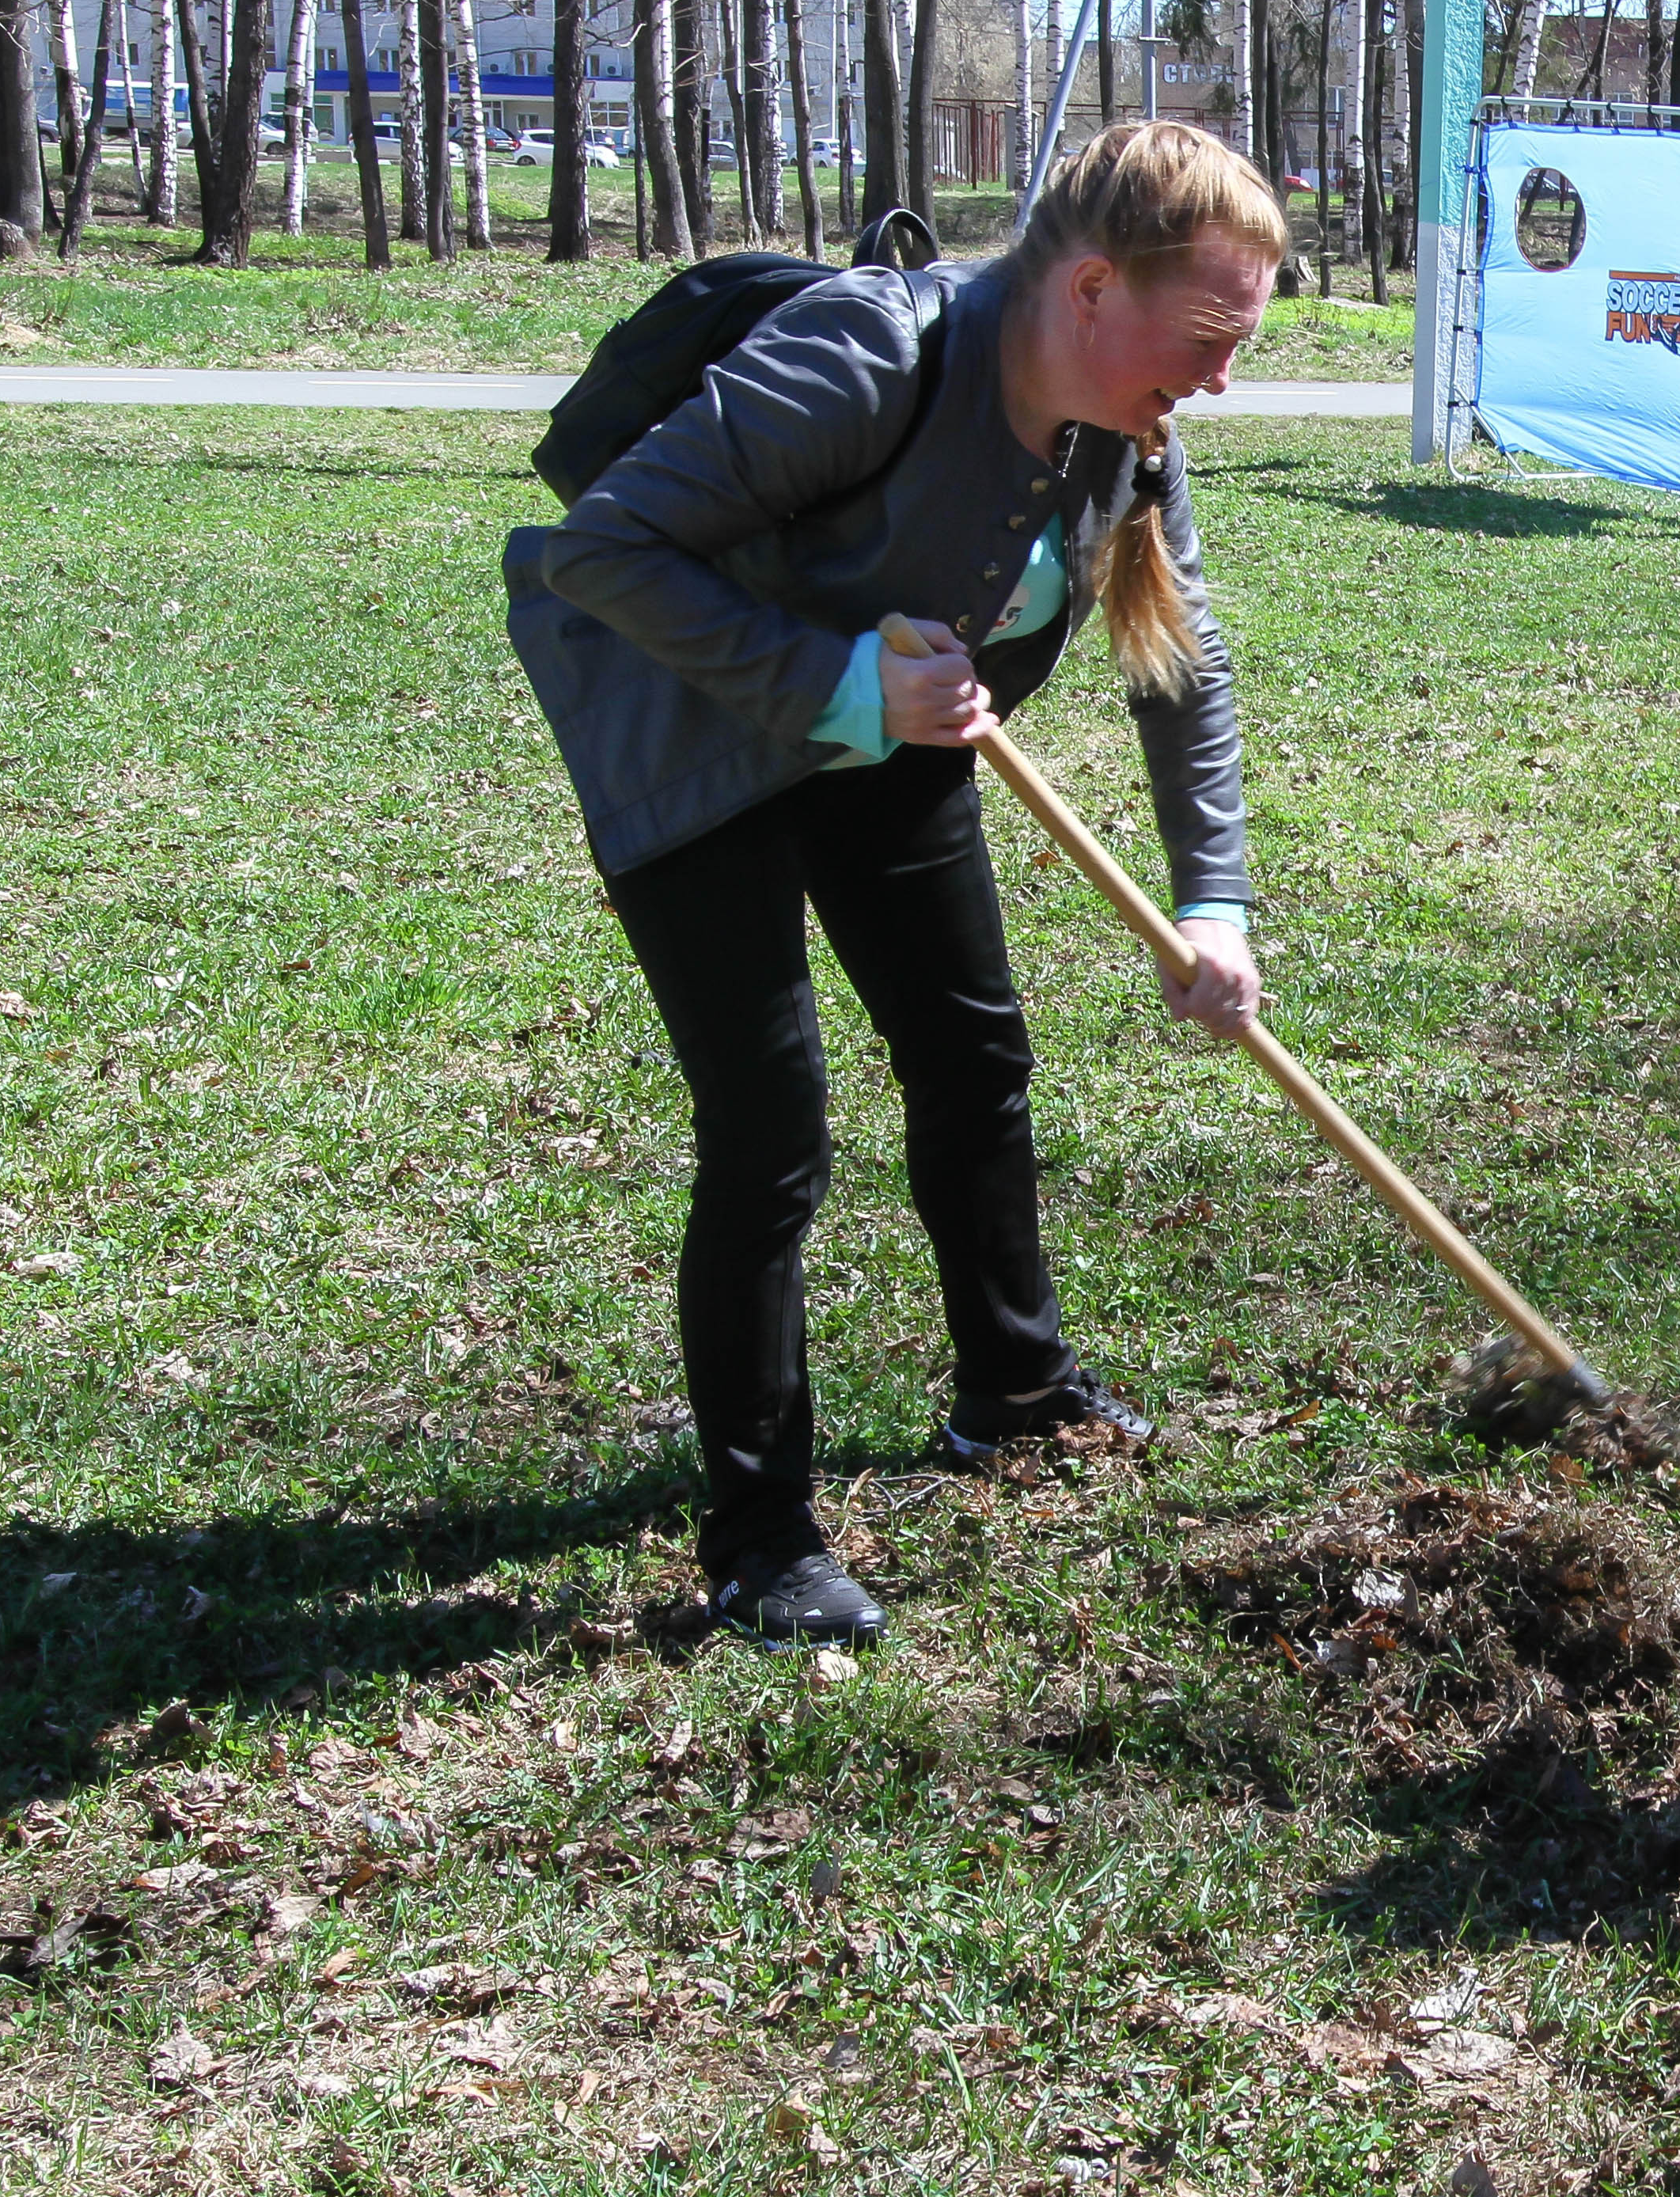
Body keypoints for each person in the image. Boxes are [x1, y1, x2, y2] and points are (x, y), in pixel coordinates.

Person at [505, 120, 1287, 1649]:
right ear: (1080, 291)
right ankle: (757, 1537)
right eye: (1203, 336)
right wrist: (835, 680)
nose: (1216, 380)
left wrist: (1216, 904)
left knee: (970, 1053)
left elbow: (1178, 672)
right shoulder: (872, 353)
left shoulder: (1120, 431)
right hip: (696, 739)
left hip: (903, 735)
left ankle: (1013, 1387)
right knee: (771, 1129)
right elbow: (605, 550)